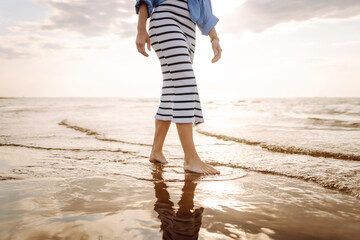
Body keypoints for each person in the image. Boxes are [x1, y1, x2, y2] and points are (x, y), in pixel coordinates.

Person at [135, 0, 221, 175]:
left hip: (189, 29)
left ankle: (156, 151)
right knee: (185, 83)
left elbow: (205, 11)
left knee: (171, 89)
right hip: (166, 20)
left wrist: (214, 38)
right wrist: (141, 30)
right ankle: (191, 158)